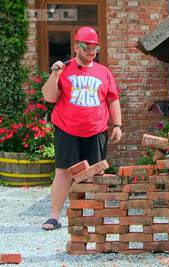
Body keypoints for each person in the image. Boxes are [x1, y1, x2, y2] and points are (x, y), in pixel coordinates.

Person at [41, 26, 122, 230]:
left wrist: (118, 125)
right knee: (63, 173)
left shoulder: (104, 72)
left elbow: (113, 99)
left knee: (96, 173)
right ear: (77, 46)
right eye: (88, 48)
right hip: (67, 129)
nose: (92, 53)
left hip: (96, 130)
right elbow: (49, 97)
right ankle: (54, 216)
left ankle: (99, 215)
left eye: (95, 48)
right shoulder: (64, 69)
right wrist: (54, 75)